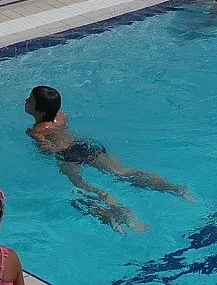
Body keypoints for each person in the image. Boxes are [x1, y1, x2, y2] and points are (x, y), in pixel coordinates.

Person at [25, 86, 192, 234]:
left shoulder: (36, 131)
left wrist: (44, 148)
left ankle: (118, 210)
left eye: (30, 100)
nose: (26, 101)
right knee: (122, 172)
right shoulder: (61, 116)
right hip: (85, 145)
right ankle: (174, 188)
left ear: (41, 111)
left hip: (68, 155)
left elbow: (48, 150)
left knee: (82, 187)